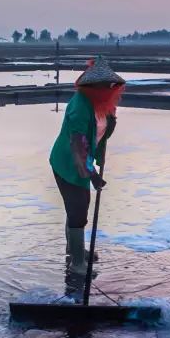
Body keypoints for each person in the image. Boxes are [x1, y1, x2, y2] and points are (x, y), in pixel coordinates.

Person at [48, 56, 126, 279]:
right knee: (78, 208)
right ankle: (78, 263)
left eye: (111, 86)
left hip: (84, 160)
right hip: (68, 163)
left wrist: (98, 160)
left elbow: (100, 136)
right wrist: (91, 174)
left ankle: (73, 249)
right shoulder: (80, 107)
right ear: (90, 86)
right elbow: (78, 145)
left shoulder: (104, 106)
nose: (109, 90)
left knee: (76, 207)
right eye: (103, 86)